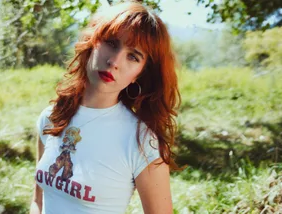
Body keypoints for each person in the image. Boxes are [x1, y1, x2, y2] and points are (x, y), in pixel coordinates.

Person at [30, 2, 184, 214]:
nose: (114, 61)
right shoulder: (52, 116)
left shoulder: (141, 142)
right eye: (111, 43)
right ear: (93, 42)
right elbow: (37, 202)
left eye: (133, 56)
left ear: (139, 74)